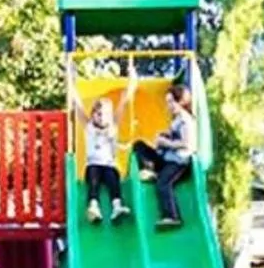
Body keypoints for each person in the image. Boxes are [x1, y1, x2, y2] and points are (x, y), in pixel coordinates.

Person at [131, 83, 197, 230]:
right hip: (167, 159)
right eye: (167, 102)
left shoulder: (185, 120)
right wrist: (164, 135)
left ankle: (172, 216)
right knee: (139, 145)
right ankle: (151, 171)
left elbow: (187, 144)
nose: (169, 106)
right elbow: (172, 135)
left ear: (181, 101)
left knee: (163, 184)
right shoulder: (176, 119)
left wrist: (166, 142)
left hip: (178, 163)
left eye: (172, 102)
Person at [82, 97, 132, 225]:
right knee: (93, 178)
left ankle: (117, 206)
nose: (102, 117)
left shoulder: (112, 128)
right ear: (93, 115)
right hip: (93, 164)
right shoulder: (89, 127)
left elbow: (121, 107)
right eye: (99, 114)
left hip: (109, 165)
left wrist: (128, 91)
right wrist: (72, 88)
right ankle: (93, 206)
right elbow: (78, 108)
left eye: (105, 115)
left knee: (113, 177)